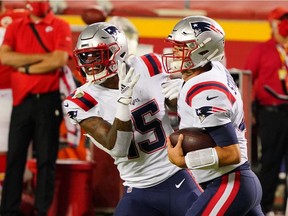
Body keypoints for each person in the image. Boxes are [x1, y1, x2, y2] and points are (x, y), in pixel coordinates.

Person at [64, 22, 202, 216]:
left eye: (97, 55)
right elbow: (119, 148)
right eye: (84, 57)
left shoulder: (149, 65)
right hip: (137, 188)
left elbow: (177, 106)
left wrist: (184, 91)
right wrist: (124, 101)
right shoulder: (80, 101)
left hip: (176, 177)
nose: (89, 64)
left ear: (117, 52)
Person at [164, 15, 264, 215]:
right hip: (236, 182)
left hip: (229, 182)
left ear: (203, 50)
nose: (175, 52)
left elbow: (231, 153)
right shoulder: (212, 68)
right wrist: (184, 90)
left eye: (183, 46)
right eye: (175, 45)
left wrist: (185, 161)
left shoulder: (206, 90)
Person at [0, 0, 72, 215]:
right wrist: (43, 58)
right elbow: (4, 56)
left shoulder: (60, 25)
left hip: (48, 100)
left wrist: (25, 68)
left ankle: (42, 211)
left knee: (46, 159)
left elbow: (59, 60)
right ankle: (8, 210)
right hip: (21, 101)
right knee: (15, 157)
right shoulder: (16, 26)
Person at [245, 7, 288, 215]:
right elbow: (247, 80)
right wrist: (248, 109)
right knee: (270, 161)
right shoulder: (262, 50)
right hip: (270, 114)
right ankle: (264, 208)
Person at [0, 1, 28, 195]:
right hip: (12, 90)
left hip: (12, 90)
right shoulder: (19, 18)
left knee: (10, 147)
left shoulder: (18, 18)